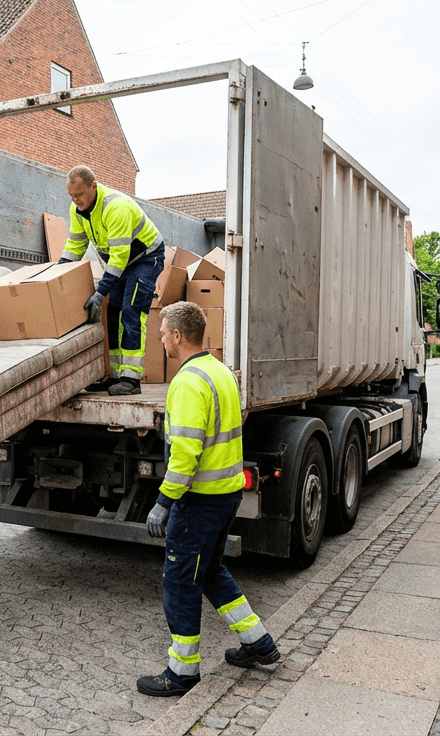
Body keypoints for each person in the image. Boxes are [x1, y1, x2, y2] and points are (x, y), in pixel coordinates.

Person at [137, 302, 282, 697]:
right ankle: (258, 642)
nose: (160, 339)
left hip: (198, 501)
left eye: (163, 332)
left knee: (180, 582)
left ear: (178, 335)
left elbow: (185, 453)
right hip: (226, 494)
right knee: (211, 572)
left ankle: (181, 673)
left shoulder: (187, 382)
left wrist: (163, 502)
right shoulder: (220, 372)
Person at [58, 165, 165, 396]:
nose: (75, 200)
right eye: (71, 195)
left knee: (131, 310)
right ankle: (114, 375)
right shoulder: (77, 210)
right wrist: (57, 275)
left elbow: (119, 256)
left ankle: (131, 378)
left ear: (93, 186)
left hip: (145, 258)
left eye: (79, 194)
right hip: (121, 261)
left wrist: (100, 292)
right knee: (113, 312)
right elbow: (75, 244)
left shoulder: (116, 207)